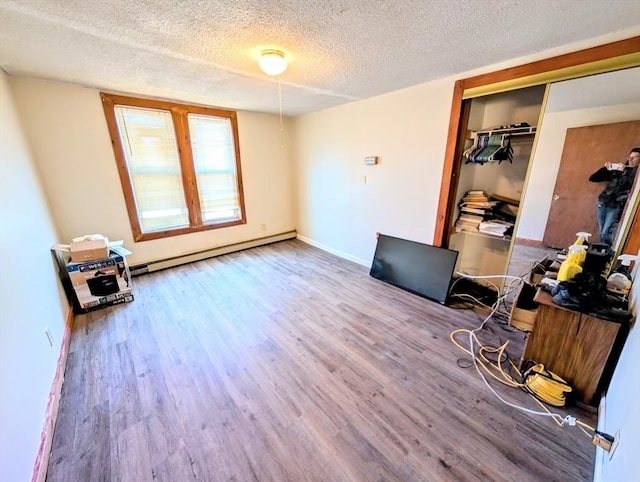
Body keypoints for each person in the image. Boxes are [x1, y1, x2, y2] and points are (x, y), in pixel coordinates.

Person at [589, 147, 640, 245]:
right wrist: (605, 169)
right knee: (602, 231)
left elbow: (627, 184)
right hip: (603, 202)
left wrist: (620, 172)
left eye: (635, 157)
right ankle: (602, 251)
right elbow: (593, 178)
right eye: (630, 157)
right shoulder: (620, 169)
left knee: (607, 232)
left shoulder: (635, 173)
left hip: (616, 205)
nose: (631, 159)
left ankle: (605, 253)